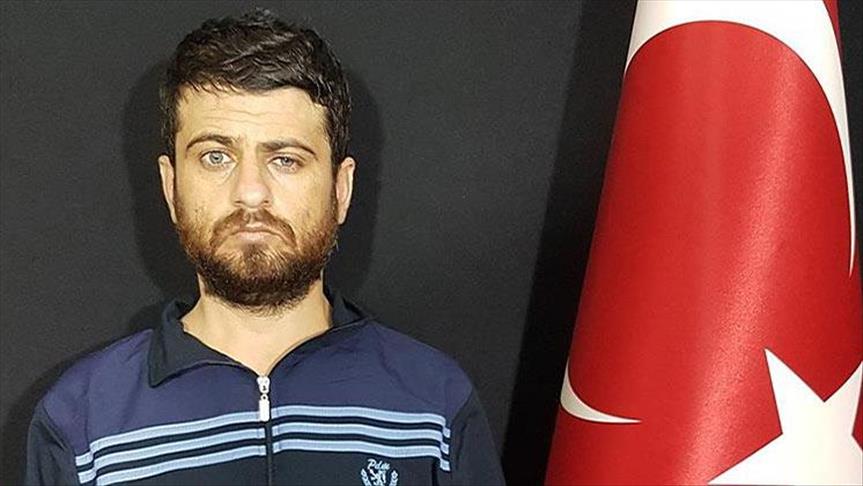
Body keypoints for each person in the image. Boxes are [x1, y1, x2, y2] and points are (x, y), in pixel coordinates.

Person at [25, 9, 504, 486]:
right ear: (171, 187)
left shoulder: (433, 405)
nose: (251, 193)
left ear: (341, 189)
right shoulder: (83, 422)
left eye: (285, 159)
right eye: (216, 157)